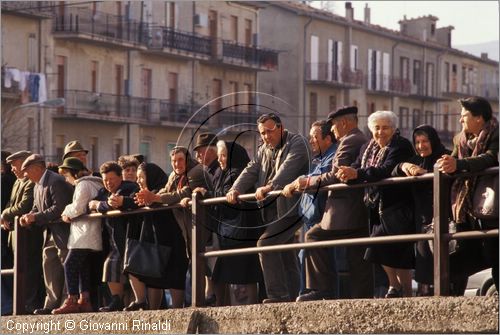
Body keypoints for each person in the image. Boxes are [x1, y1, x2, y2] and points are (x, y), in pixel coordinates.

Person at [288, 107, 373, 301]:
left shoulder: (349, 141)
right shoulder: (357, 138)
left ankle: (321, 290)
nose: (333, 130)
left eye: (334, 125)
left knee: (313, 237)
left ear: (344, 123)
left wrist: (307, 182)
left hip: (344, 209)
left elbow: (335, 174)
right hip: (354, 209)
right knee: (358, 256)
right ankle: (362, 297)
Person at [226, 113, 309, 303]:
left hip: (292, 208)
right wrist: (235, 189)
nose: (265, 136)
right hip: (271, 209)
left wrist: (270, 186)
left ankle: (278, 295)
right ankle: (295, 296)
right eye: (262, 133)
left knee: (265, 244)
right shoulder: (264, 149)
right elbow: (251, 169)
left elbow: (288, 168)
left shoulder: (297, 143)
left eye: (269, 132)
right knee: (287, 254)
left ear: (280, 127)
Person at [337, 110, 414, 298]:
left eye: (385, 128)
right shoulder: (367, 147)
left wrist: (358, 174)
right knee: (381, 245)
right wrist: (347, 173)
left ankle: (403, 289)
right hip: (375, 205)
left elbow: (386, 169)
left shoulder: (401, 145)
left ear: (394, 129)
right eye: (377, 128)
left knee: (397, 249)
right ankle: (395, 286)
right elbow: (358, 166)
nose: (380, 132)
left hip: (398, 204)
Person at [187, 140, 263, 306]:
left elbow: (225, 193)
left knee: (247, 272)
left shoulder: (237, 172)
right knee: (222, 273)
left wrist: (207, 193)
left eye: (223, 155)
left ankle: (251, 307)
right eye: (220, 155)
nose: (220, 159)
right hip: (229, 232)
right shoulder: (221, 173)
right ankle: (222, 306)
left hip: (243, 231)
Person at [436, 96, 499, 293]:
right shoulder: (460, 139)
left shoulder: (496, 134)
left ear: (479, 118)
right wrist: (445, 163)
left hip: (492, 206)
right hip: (467, 209)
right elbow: (453, 161)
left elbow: (490, 158)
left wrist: (459, 165)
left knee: (495, 253)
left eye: (464, 116)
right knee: (462, 253)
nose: (460, 120)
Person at [392, 125, 450, 294]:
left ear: (433, 141)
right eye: (417, 142)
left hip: (444, 216)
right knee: (424, 260)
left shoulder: (445, 156)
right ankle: (426, 295)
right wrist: (403, 166)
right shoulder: (414, 161)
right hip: (422, 219)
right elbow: (392, 170)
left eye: (425, 141)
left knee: (445, 257)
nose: (420, 146)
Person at [282, 120, 337, 296]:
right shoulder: (316, 158)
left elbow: (324, 175)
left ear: (328, 139)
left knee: (320, 257)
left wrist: (301, 182)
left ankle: (318, 293)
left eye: (315, 137)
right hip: (309, 217)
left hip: (322, 217)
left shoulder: (332, 156)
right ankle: (307, 292)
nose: (311, 141)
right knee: (304, 256)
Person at [126, 162, 188, 310]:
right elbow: (133, 199)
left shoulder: (163, 189)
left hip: (173, 240)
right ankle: (153, 310)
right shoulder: (142, 192)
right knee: (153, 278)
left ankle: (177, 310)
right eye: (138, 178)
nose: (138, 181)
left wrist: (151, 199)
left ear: (151, 176)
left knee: (174, 275)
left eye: (141, 177)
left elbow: (160, 199)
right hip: (154, 241)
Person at [19, 154, 74, 315]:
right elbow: (37, 207)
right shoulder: (37, 185)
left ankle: (66, 301)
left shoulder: (56, 181)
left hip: (63, 231)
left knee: (66, 264)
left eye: (27, 171)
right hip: (50, 232)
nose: (25, 175)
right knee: (49, 264)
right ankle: (51, 303)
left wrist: (35, 217)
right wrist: (29, 216)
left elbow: (60, 208)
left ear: (37, 168)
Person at [52, 158, 103, 314]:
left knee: (70, 265)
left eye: (67, 174)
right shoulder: (95, 182)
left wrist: (65, 212)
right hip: (91, 232)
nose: (66, 179)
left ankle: (72, 299)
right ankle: (84, 300)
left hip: (84, 232)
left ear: (74, 172)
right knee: (82, 267)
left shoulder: (83, 184)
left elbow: (78, 207)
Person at [88, 161, 139, 312]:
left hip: (130, 238)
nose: (108, 183)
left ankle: (138, 301)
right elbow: (92, 204)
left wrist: (119, 202)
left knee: (132, 271)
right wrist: (101, 205)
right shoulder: (103, 192)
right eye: (105, 180)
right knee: (110, 266)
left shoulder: (129, 187)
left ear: (120, 177)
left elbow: (135, 201)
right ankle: (117, 300)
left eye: (112, 179)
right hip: (112, 241)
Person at [1, 151, 44, 314]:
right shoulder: (18, 182)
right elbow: (11, 204)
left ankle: (31, 304)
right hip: (15, 234)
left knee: (30, 270)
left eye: (14, 164)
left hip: (28, 234)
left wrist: (4, 214)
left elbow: (24, 206)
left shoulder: (31, 183)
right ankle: (24, 304)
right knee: (20, 269)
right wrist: (6, 215)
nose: (12, 169)